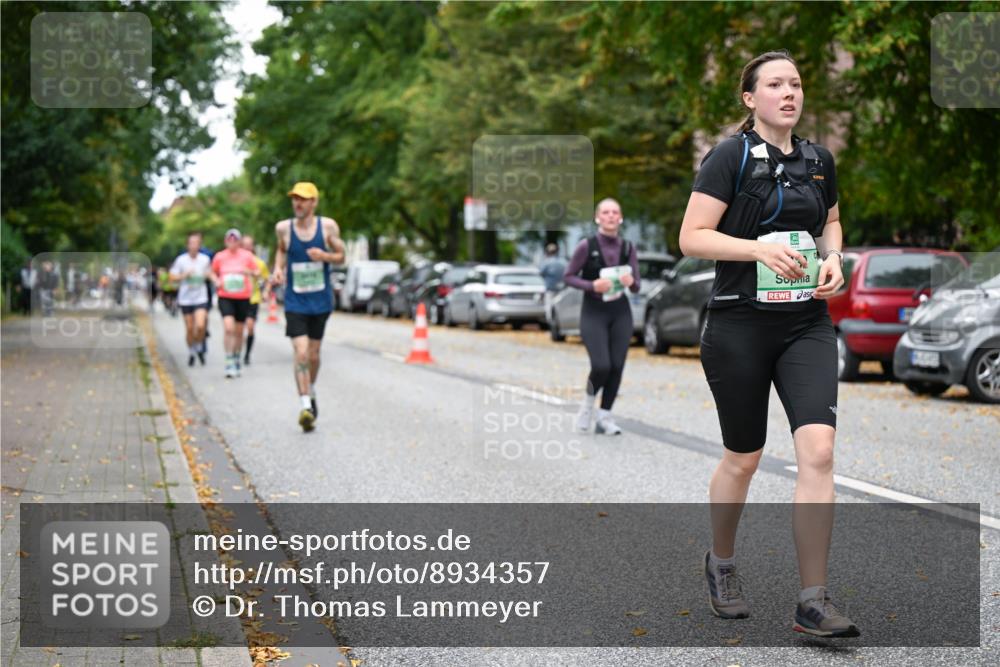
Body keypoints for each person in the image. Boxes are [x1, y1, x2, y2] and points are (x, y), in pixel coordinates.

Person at [677, 50, 856, 637]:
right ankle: (722, 562)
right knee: (744, 457)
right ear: (750, 98)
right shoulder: (729, 156)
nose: (789, 92)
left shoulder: (819, 160)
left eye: (796, 84)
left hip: (805, 323)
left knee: (819, 453)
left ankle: (813, 600)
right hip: (739, 325)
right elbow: (692, 237)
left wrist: (834, 257)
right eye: (775, 84)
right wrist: (759, 249)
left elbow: (830, 221)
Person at [271, 182, 345, 432]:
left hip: (320, 301)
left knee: (313, 355)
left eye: (303, 199)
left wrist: (325, 256)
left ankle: (310, 390)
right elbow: (281, 250)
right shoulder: (283, 228)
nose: (297, 203)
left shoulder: (327, 227)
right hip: (295, 301)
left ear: (314, 202)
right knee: (301, 352)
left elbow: (341, 255)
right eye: (295, 199)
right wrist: (278, 269)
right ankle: (305, 406)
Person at [563, 198, 640, 436]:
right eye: (605, 212)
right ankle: (587, 406)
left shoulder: (627, 247)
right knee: (601, 365)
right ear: (598, 218)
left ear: (621, 218)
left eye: (615, 212)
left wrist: (631, 281)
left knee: (616, 365)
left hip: (620, 312)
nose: (610, 216)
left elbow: (636, 286)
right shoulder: (586, 246)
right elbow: (568, 276)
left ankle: (605, 417)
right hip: (593, 312)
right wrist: (591, 285)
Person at [211, 228, 261, 379]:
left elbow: (257, 273)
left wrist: (249, 272)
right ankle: (229, 360)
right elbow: (212, 272)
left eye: (235, 240)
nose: (232, 242)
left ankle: (237, 356)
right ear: (225, 241)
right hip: (225, 296)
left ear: (239, 242)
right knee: (228, 328)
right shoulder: (220, 256)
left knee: (239, 332)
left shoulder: (247, 256)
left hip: (243, 297)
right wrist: (216, 280)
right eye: (229, 240)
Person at [169, 231, 214, 367]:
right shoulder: (181, 260)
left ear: (200, 245)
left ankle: (199, 345)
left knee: (200, 326)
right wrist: (184, 275)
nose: (194, 245)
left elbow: (210, 273)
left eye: (197, 243)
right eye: (192, 243)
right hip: (186, 299)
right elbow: (172, 277)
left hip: (201, 297)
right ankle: (192, 351)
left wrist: (211, 277)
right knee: (189, 328)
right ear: (187, 245)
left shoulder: (205, 259)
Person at [240, 234, 270, 366]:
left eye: (249, 245)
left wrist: (266, 291)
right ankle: (236, 352)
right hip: (237, 298)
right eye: (244, 245)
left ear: (252, 247)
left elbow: (267, 279)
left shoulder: (259, 263)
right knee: (238, 329)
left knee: (250, 327)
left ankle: (247, 354)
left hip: (253, 298)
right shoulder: (236, 260)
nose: (247, 248)